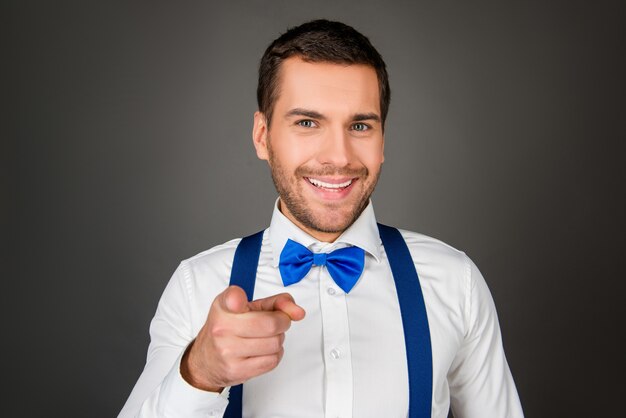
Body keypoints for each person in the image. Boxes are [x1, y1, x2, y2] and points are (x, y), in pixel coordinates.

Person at [118, 19, 524, 418]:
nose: (339, 157)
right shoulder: (196, 286)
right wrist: (199, 373)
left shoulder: (456, 283)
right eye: (307, 123)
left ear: (383, 141)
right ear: (262, 136)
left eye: (360, 125)